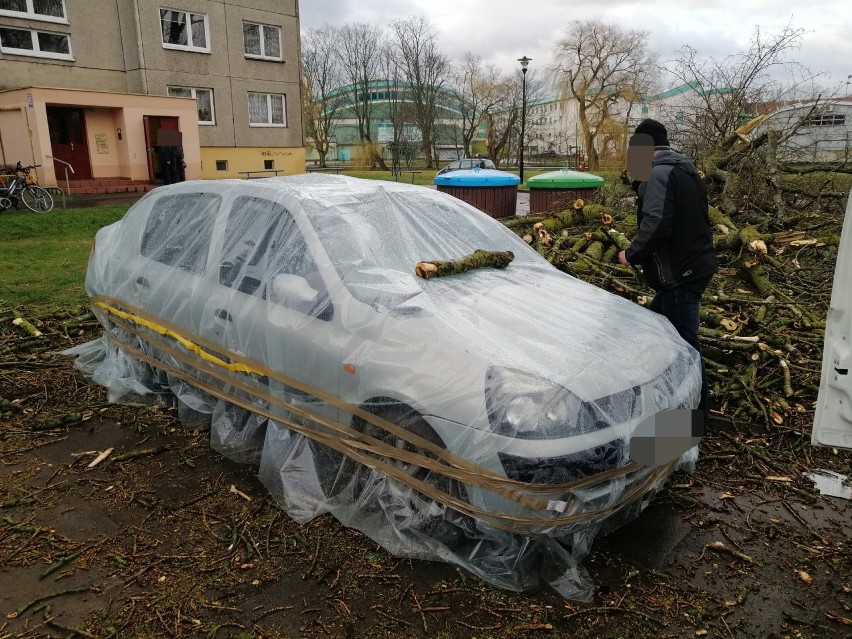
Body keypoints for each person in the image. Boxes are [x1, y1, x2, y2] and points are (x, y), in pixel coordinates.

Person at [617, 119, 717, 419]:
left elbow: (657, 222)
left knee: (685, 348)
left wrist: (632, 254)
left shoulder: (658, 174)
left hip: (679, 275)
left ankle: (695, 419)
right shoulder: (685, 170)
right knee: (654, 330)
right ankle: (659, 405)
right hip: (694, 266)